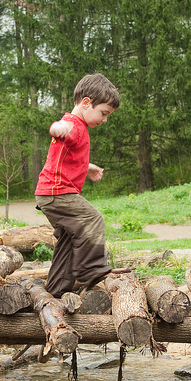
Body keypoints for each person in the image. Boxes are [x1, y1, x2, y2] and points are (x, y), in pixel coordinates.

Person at [34, 73, 120, 297]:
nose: (105, 120)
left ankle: (56, 289)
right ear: (86, 103)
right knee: (92, 219)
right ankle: (90, 269)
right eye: (104, 113)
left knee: (68, 240)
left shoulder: (79, 125)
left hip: (50, 194)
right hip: (58, 193)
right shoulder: (74, 124)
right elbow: (63, 130)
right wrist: (57, 128)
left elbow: (69, 154)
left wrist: (88, 167)